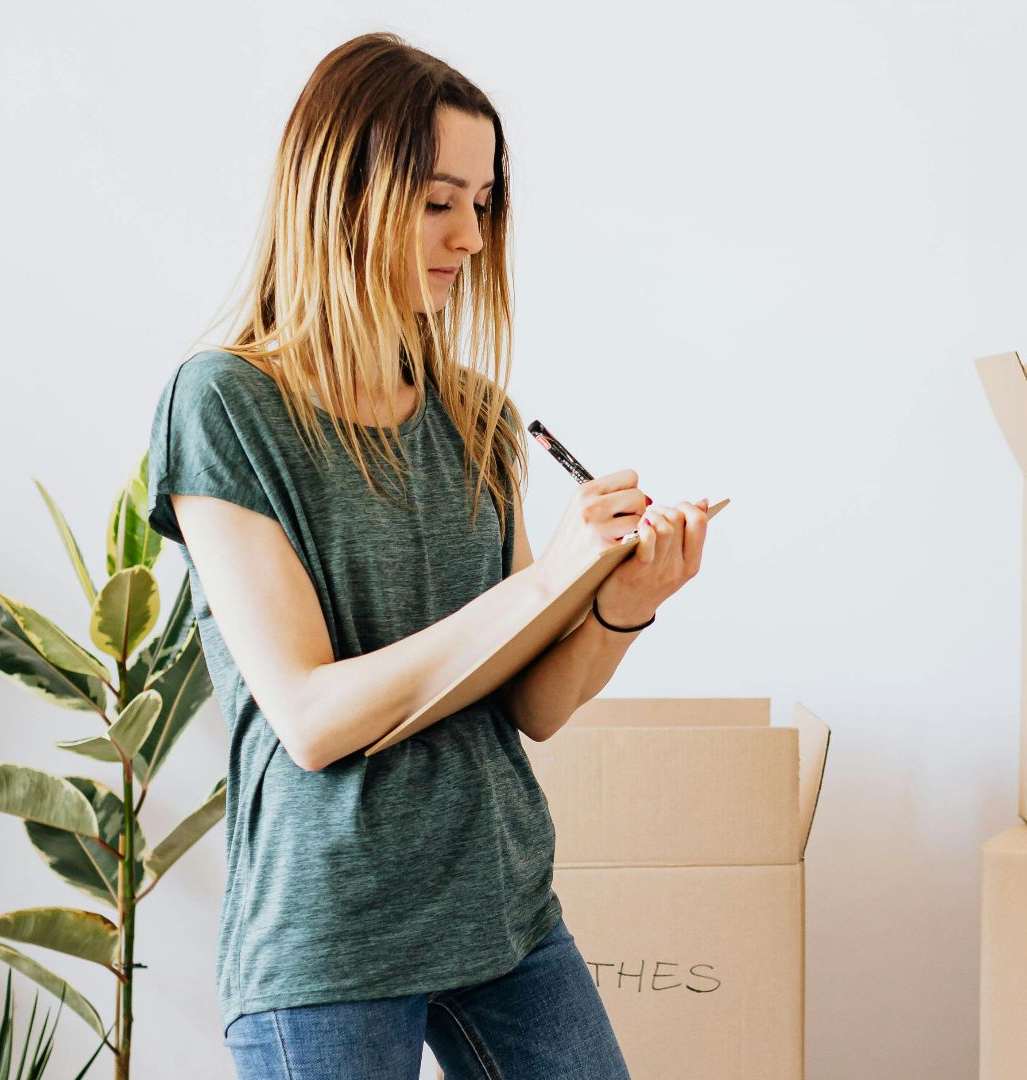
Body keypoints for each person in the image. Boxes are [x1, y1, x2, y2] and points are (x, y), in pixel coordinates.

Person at [143, 31, 709, 1080]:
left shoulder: (479, 419)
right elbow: (309, 720)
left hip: (501, 902)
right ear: (341, 191)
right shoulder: (224, 405)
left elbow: (528, 708)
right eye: (440, 201)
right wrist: (546, 581)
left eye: (484, 204)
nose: (472, 239)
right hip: (331, 933)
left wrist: (619, 604)